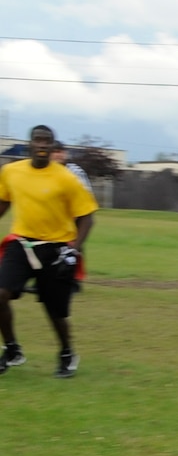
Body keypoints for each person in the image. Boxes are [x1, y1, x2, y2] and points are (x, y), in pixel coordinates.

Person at [0, 124, 97, 378]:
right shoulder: (11, 171)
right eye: (38, 140)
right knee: (0, 294)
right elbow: (4, 202)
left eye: (47, 142)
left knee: (55, 311)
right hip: (21, 244)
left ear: (53, 147)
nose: (42, 145)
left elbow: (87, 217)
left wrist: (73, 250)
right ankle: (12, 350)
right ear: (30, 144)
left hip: (55, 248)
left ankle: (67, 353)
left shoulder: (66, 178)